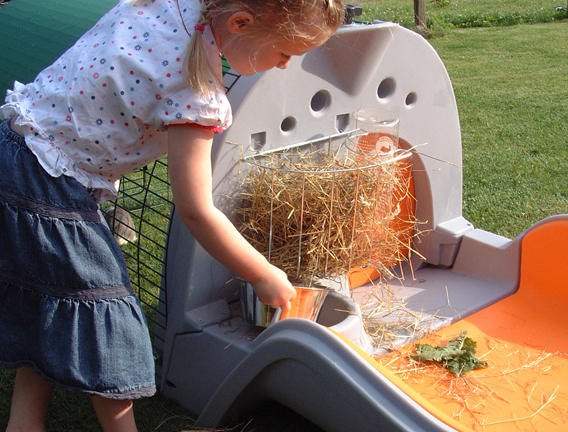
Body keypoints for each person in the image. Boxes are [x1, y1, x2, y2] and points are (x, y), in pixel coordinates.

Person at [0, 0, 345, 430]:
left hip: (14, 149)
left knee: (53, 295)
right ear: (240, 22)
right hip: (49, 183)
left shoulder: (168, 6)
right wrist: (262, 274)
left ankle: (24, 422)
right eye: (284, 53)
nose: (284, 66)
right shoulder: (195, 91)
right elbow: (197, 211)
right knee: (105, 313)